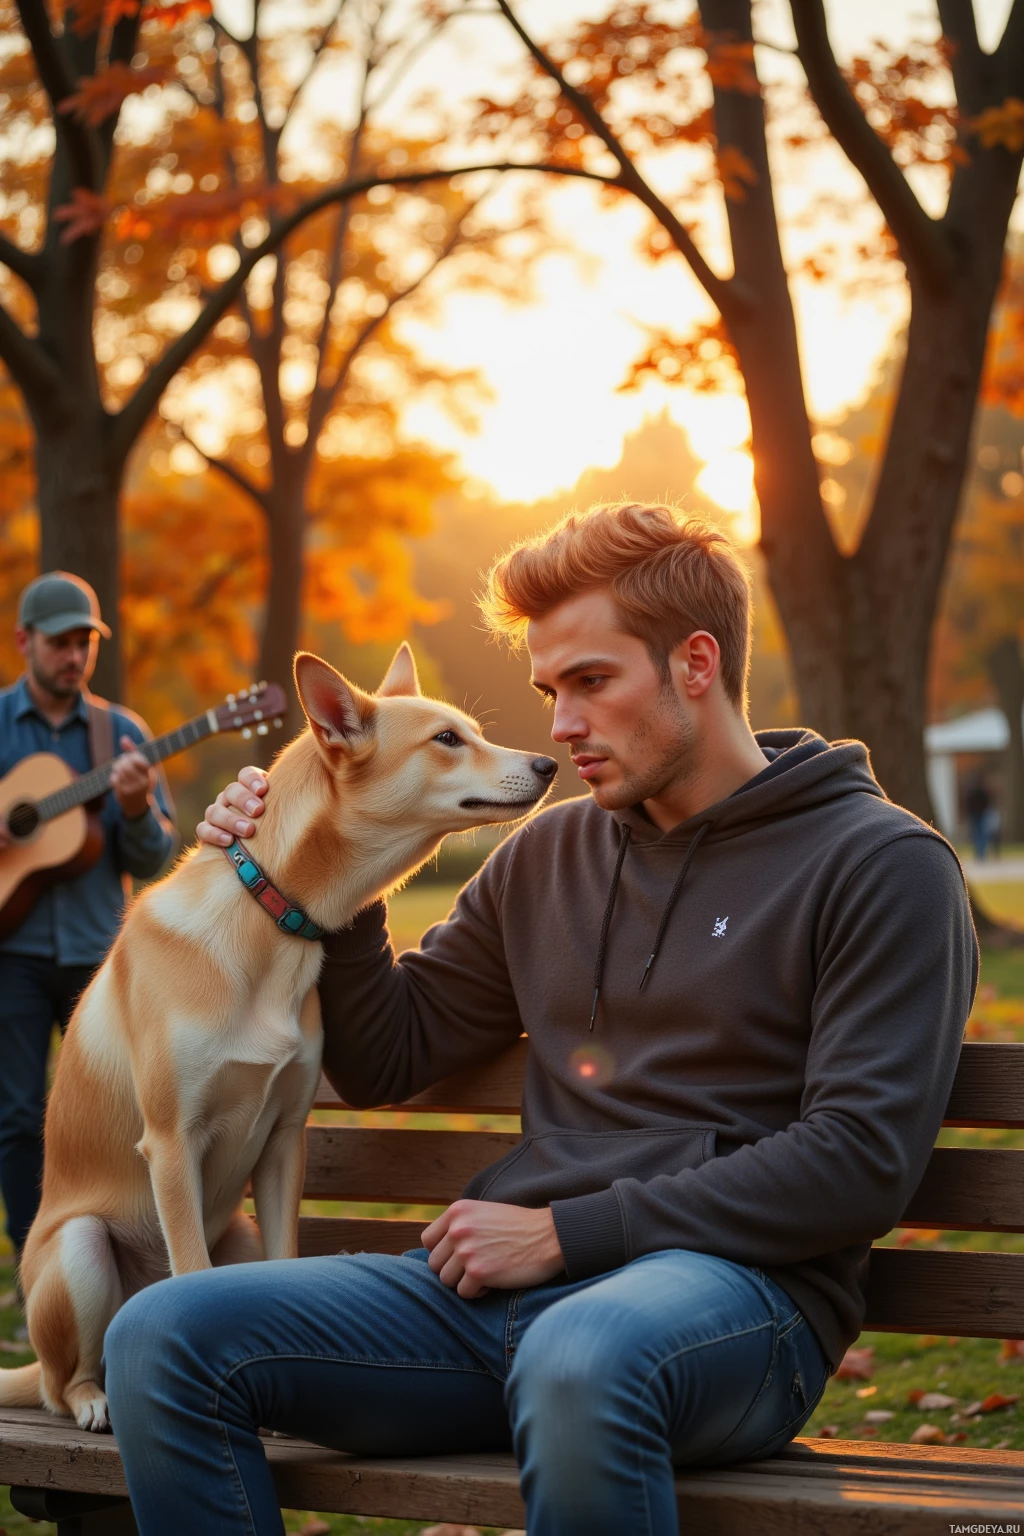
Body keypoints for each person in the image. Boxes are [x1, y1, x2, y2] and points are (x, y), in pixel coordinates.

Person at [104, 505, 976, 1536]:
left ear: (695, 663)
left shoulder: (880, 866)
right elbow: (393, 1053)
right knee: (161, 1332)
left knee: (581, 1356)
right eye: (549, 690)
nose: (559, 727)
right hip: (495, 1304)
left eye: (591, 683)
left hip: (737, 1307)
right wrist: (311, 865)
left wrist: (567, 1233)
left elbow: (858, 1160)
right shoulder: (547, 857)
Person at [0, 572, 175, 1260]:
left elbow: (157, 855)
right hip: (10, 954)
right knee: (15, 1114)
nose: (74, 656)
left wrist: (135, 810)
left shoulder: (121, 733)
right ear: (24, 642)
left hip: (100, 959)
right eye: (60, 643)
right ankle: (33, 1259)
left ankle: (122, 1250)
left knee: (115, 1116)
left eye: (85, 643)